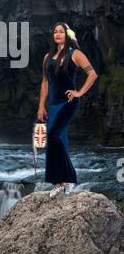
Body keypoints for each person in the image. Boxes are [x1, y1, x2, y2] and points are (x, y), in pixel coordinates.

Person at [37, 22, 98, 198]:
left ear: (67, 35)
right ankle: (59, 182)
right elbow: (45, 82)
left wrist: (79, 92)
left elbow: (92, 74)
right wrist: (41, 105)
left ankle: (69, 178)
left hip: (68, 102)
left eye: (61, 32)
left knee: (53, 135)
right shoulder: (47, 57)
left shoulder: (75, 54)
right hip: (52, 105)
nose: (57, 34)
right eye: (55, 31)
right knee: (58, 141)